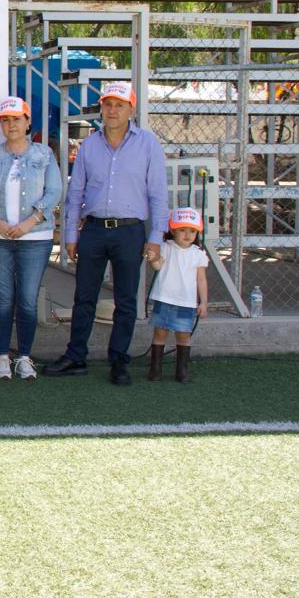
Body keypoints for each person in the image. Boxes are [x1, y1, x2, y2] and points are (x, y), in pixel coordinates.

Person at [43, 81, 168, 386]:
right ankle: (75, 356)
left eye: (119, 105)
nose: (112, 110)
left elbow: (158, 195)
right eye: (108, 104)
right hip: (95, 230)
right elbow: (76, 192)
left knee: (126, 300)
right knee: (83, 296)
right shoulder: (90, 145)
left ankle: (119, 361)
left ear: (131, 109)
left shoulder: (148, 144)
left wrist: (155, 238)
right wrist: (69, 235)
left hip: (130, 231)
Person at [0, 97, 61, 381]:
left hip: (35, 237)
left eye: (16, 119)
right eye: (5, 120)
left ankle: (24, 357)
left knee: (26, 299)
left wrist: (29, 223)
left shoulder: (44, 155)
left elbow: (54, 192)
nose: (10, 124)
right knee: (3, 299)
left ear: (28, 122)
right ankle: (2, 356)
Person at [147, 207, 208, 382]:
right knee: (160, 334)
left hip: (186, 302)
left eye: (192, 231)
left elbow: (201, 280)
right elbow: (158, 267)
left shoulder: (198, 254)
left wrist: (203, 302)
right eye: (182, 230)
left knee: (183, 335)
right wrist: (153, 259)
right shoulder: (166, 248)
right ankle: (155, 370)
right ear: (172, 230)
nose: (187, 235)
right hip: (164, 298)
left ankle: (181, 371)